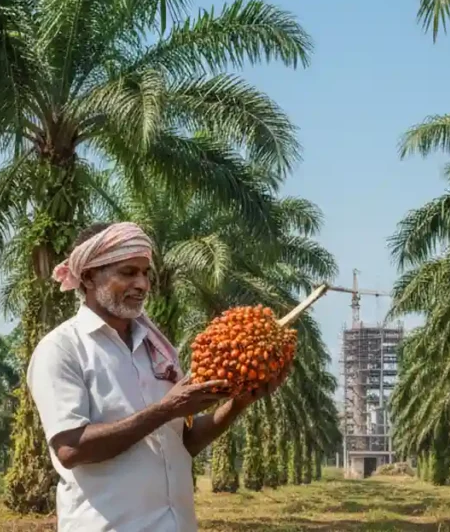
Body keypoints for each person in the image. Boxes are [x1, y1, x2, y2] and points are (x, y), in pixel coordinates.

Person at [27, 221, 289, 531]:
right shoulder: (62, 349)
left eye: (145, 273)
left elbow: (181, 443)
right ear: (88, 277)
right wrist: (167, 409)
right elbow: (71, 449)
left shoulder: (157, 350)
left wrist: (237, 404)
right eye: (128, 272)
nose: (142, 284)